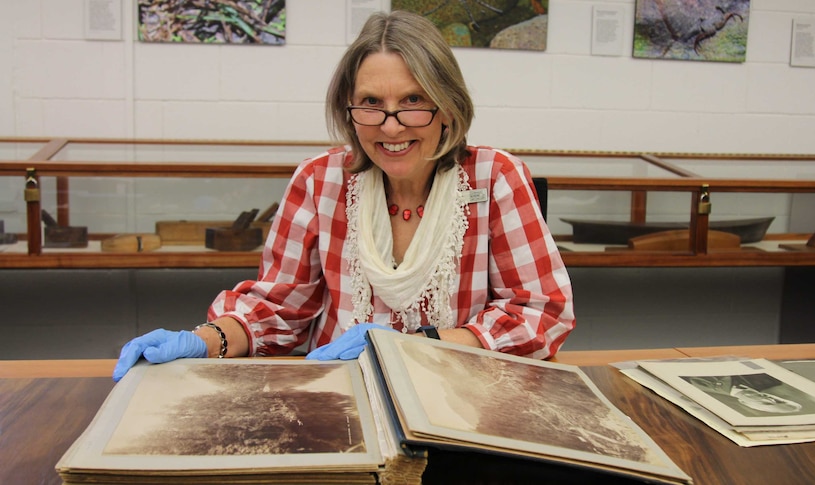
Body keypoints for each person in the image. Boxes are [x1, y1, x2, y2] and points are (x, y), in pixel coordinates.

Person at [112, 10, 575, 382]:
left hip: (454, 397)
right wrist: (207, 339)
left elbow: (542, 313)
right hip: (339, 392)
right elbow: (279, 308)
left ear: (448, 108)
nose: (391, 127)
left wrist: (419, 344)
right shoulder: (320, 181)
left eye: (414, 101)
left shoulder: (494, 178)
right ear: (348, 109)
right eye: (371, 103)